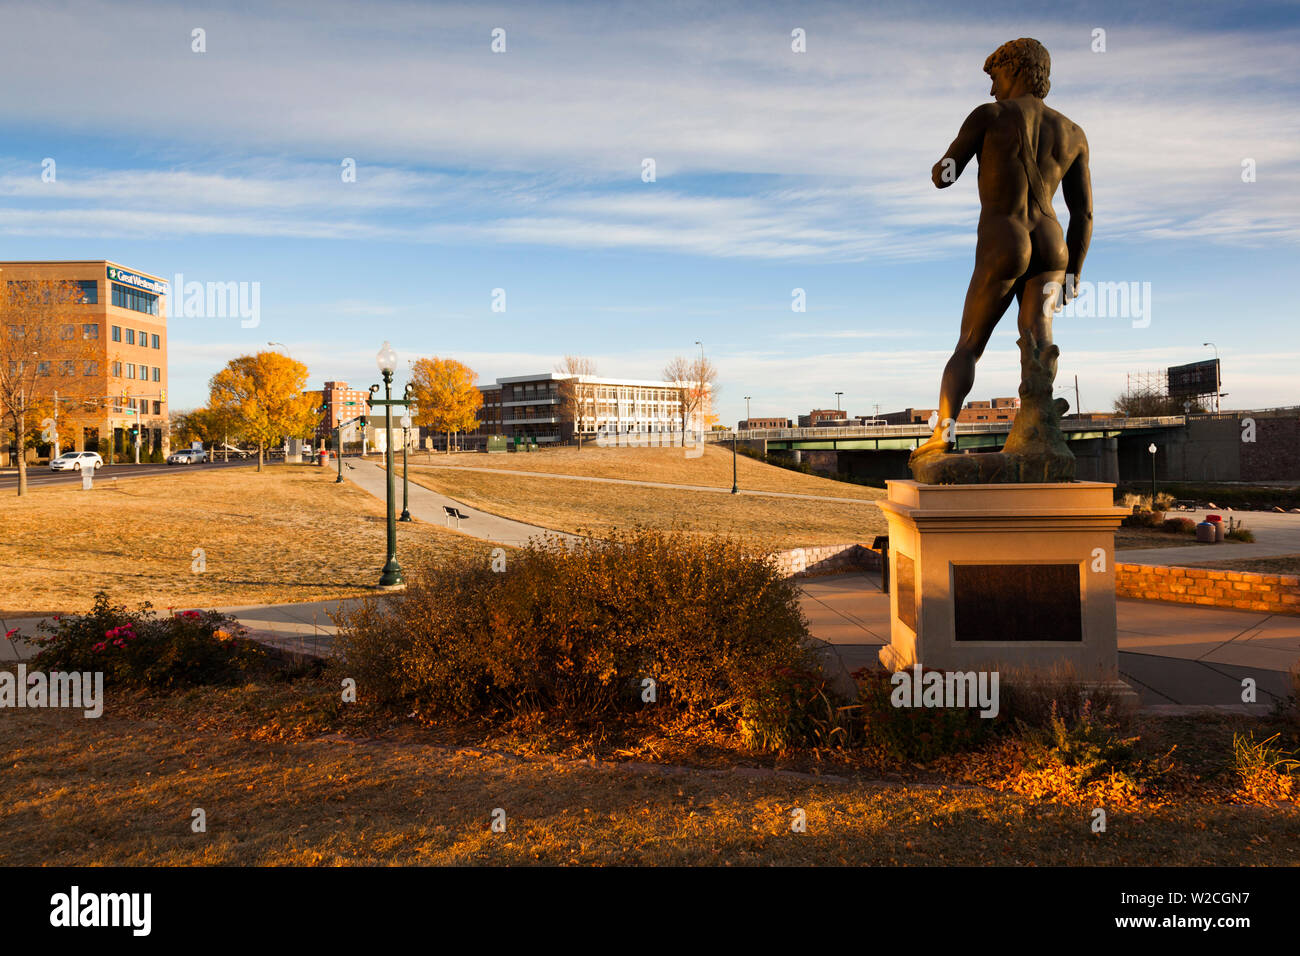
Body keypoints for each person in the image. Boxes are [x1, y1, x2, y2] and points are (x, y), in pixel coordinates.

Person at [910, 38, 1092, 464]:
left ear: (1015, 69)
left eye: (995, 77)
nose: (992, 89)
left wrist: (947, 165)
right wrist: (1074, 274)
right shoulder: (1073, 133)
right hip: (1053, 244)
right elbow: (1083, 215)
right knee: (1038, 342)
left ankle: (944, 434)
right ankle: (1039, 434)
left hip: (1004, 238)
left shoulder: (988, 116)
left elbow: (944, 175)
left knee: (969, 345)